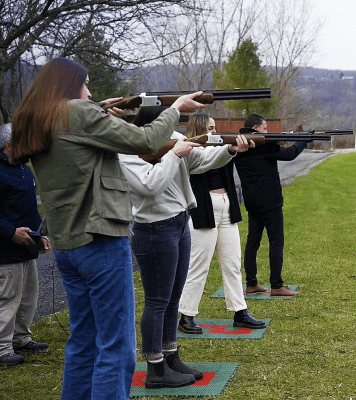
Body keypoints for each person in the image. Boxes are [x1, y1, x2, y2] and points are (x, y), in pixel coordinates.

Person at [10, 57, 206, 399]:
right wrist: (175, 108)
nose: (89, 92)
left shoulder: (37, 120)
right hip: (101, 241)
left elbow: (83, 133)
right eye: (85, 85)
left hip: (68, 246)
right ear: (70, 87)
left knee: (83, 343)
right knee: (116, 348)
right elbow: (146, 140)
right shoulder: (79, 113)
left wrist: (100, 110)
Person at [118, 106, 252, 389]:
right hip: (154, 228)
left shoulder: (170, 141)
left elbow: (201, 161)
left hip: (178, 222)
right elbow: (150, 186)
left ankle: (171, 356)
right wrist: (173, 154)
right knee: (157, 301)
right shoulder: (127, 152)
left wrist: (230, 149)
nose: (172, 132)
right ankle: (155, 367)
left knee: (172, 299)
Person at [178, 113, 265, 335]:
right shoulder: (191, 150)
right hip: (204, 208)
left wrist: (238, 148)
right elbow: (206, 159)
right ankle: (186, 315)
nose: (214, 131)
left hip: (227, 207)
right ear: (198, 129)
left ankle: (240, 311)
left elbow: (225, 155)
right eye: (209, 128)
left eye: (215, 127)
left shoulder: (219, 146)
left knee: (232, 262)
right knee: (198, 265)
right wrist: (229, 149)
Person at [233, 113, 306, 296]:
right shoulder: (263, 145)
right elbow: (290, 154)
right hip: (271, 202)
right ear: (256, 128)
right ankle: (276, 285)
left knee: (252, 243)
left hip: (252, 203)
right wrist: (304, 140)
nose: (267, 132)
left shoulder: (239, 145)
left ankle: (251, 284)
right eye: (265, 128)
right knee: (276, 243)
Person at [0, 123, 51, 368]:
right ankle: (2, 349)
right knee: (8, 298)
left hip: (26, 247)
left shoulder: (23, 169)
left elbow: (29, 210)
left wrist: (39, 236)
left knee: (28, 297)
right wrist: (10, 232)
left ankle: (21, 339)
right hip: (5, 250)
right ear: (8, 146)